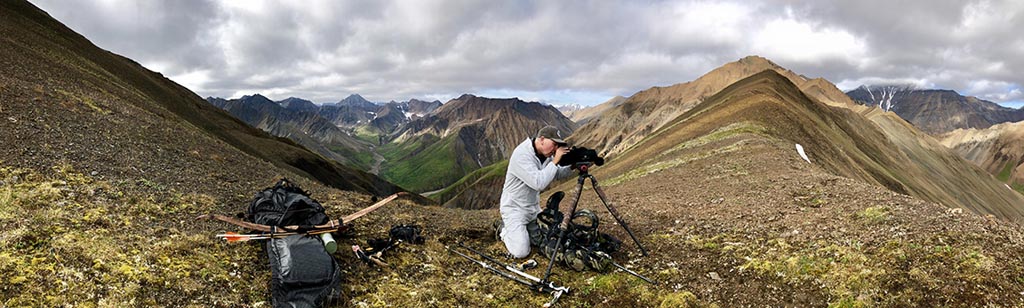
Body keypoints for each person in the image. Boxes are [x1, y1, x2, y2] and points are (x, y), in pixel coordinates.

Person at [497, 125, 574, 259]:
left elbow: (557, 174)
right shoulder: (522, 155)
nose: (556, 148)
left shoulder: (545, 154)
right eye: (554, 144)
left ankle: (522, 231)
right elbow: (538, 183)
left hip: (533, 209)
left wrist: (575, 166)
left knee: (543, 241)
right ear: (542, 139)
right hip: (514, 209)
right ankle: (503, 230)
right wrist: (556, 161)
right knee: (521, 252)